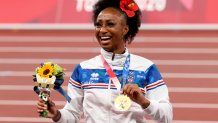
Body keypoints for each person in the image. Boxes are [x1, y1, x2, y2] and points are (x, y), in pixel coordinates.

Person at [37, 0, 173, 122]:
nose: (102, 30)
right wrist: (56, 115)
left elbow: (166, 117)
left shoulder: (146, 68)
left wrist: (144, 102)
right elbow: (72, 114)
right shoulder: (83, 69)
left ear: (125, 29)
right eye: (98, 25)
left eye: (110, 24)